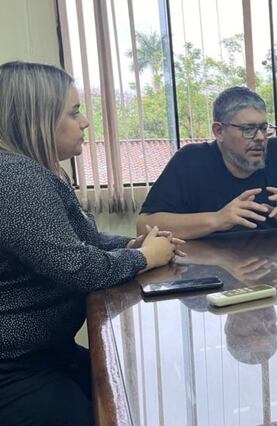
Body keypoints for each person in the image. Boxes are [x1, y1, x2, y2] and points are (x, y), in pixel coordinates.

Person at [0, 61, 182, 425]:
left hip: (47, 354)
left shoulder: (41, 170)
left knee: (132, 392)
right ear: (34, 119)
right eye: (74, 112)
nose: (84, 123)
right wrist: (144, 259)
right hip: (16, 368)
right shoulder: (16, 178)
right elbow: (76, 267)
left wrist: (131, 245)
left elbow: (85, 240)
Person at [137, 86, 277, 240]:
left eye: (264, 128)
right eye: (248, 129)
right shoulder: (190, 161)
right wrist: (217, 219)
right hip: (214, 278)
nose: (260, 138)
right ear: (219, 131)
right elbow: (145, 226)